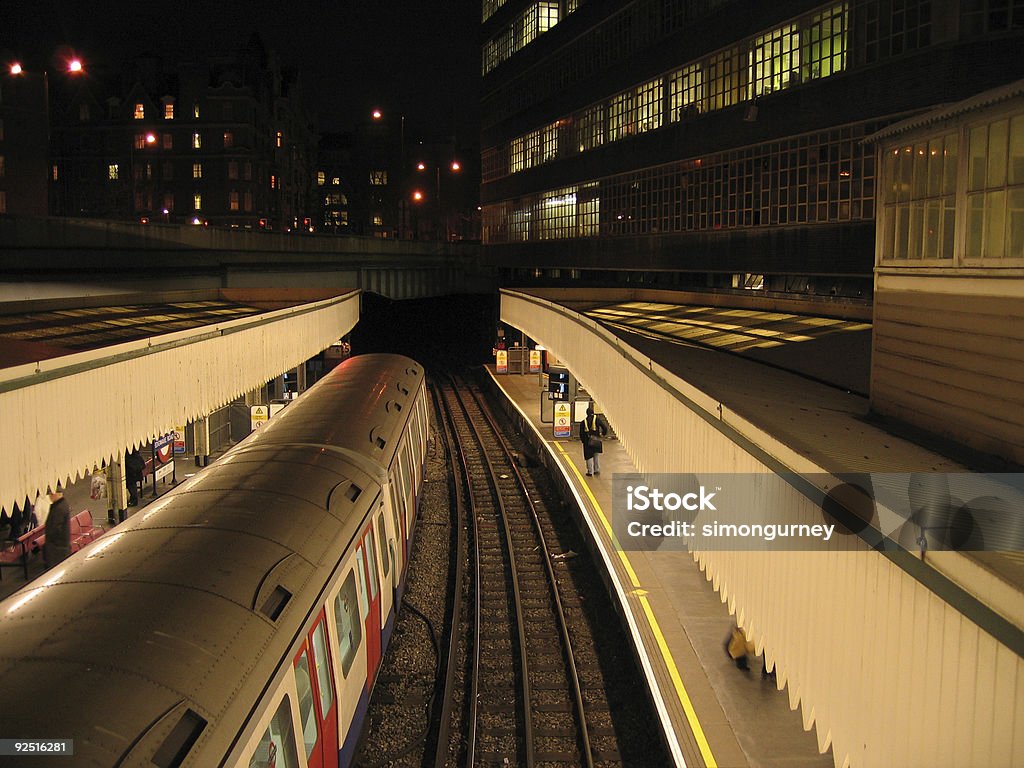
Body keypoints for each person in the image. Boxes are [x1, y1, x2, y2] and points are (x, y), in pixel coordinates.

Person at [579, 403, 610, 476]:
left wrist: (584, 441)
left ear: (586, 414)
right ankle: (597, 470)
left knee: (588, 456)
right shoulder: (598, 419)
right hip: (596, 440)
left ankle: (590, 472)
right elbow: (604, 427)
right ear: (593, 413)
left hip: (587, 442)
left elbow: (581, 433)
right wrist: (602, 434)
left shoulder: (583, 422)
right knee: (596, 455)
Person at [44, 491, 72, 567]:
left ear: (57, 494)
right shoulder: (62, 504)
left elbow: (55, 528)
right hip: (61, 546)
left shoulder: (59, 508)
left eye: (51, 494)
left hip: (57, 548)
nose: (49, 496)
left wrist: (49, 537)